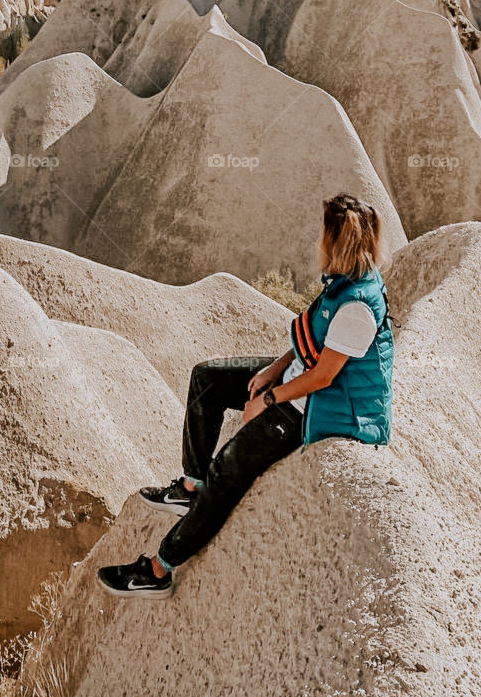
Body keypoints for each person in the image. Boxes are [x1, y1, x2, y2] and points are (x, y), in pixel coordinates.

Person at [98, 193, 394, 598]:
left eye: (323, 233)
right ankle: (190, 487)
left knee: (229, 470)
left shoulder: (358, 306)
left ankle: (158, 569)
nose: (317, 241)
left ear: (335, 241)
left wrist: (269, 401)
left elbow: (324, 376)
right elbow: (315, 339)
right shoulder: (344, 282)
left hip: (322, 407)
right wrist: (274, 369)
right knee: (208, 379)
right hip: (298, 381)